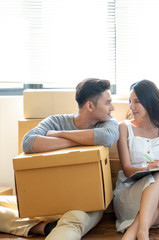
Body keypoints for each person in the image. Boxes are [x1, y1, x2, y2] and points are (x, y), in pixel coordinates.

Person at [0, 78, 119, 240]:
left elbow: (106, 138)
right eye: (107, 102)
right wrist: (77, 141)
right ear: (90, 105)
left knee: (72, 222)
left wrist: (60, 134)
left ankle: (42, 228)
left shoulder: (108, 124)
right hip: (47, 200)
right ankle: (43, 227)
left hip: (86, 205)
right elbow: (28, 142)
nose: (112, 107)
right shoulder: (55, 121)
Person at [113, 80, 159, 240]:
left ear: (150, 101)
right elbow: (127, 169)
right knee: (156, 175)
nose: (131, 106)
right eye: (130, 101)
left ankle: (133, 233)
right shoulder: (124, 127)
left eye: (137, 102)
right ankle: (143, 233)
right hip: (129, 194)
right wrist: (148, 170)